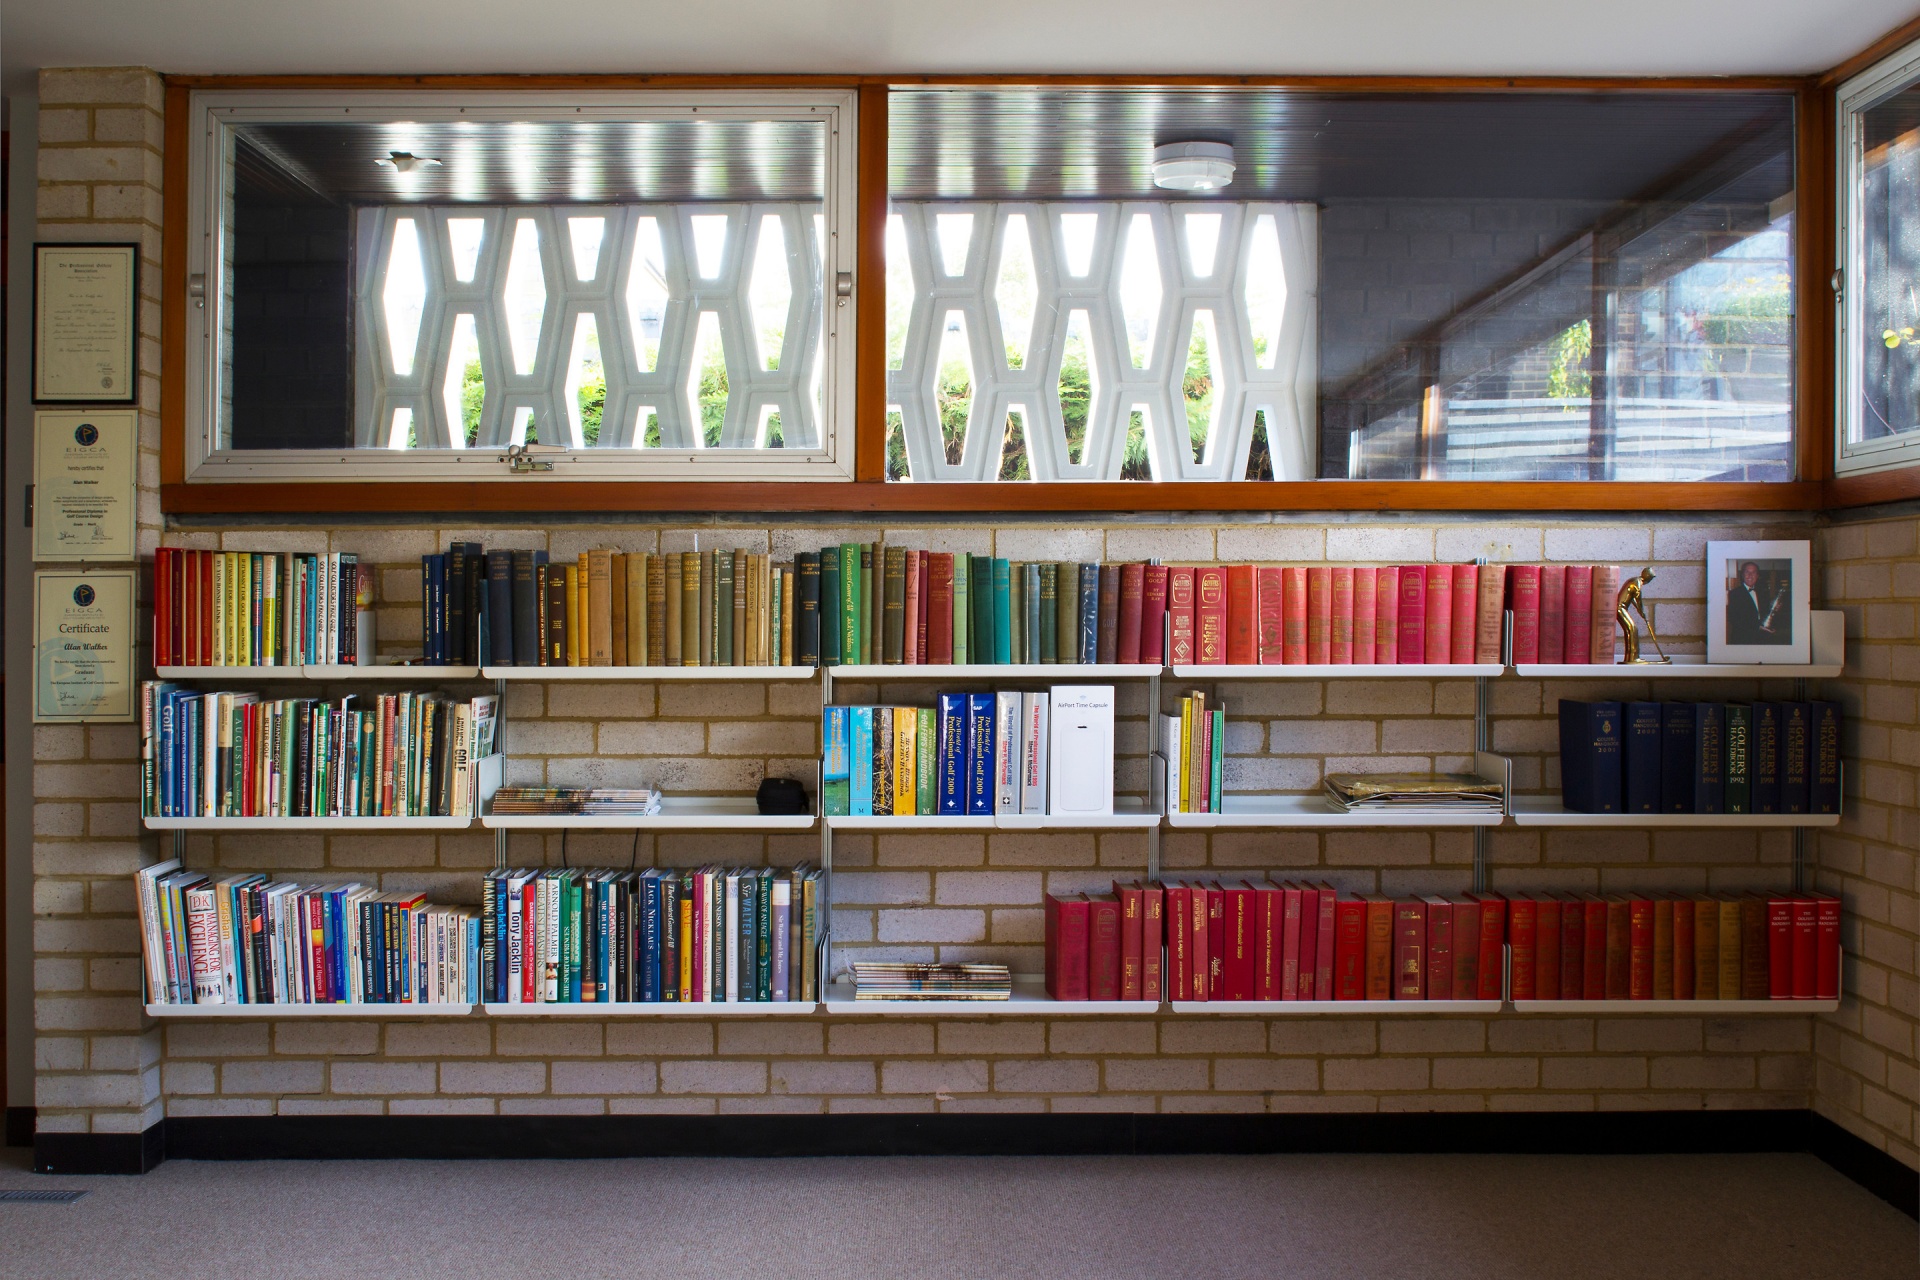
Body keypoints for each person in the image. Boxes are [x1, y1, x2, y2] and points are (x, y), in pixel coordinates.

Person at [1726, 560, 1787, 645]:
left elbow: (1765, 614)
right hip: (1743, 639)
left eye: (1754, 572)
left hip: (1761, 639)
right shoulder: (1735, 593)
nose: (1750, 575)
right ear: (1742, 575)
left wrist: (1775, 609)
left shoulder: (1762, 592)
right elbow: (1734, 619)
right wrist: (1757, 627)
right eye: (1747, 572)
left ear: (1757, 576)